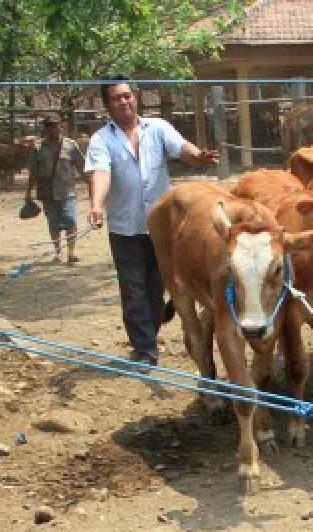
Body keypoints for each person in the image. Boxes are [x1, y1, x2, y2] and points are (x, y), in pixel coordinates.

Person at [85, 78, 218, 367]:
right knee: (133, 289)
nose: (124, 102)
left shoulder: (156, 128)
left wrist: (199, 156)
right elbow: (101, 173)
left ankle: (149, 333)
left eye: (127, 96)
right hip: (125, 228)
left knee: (158, 287)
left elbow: (182, 148)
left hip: (162, 229)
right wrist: (96, 204)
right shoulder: (101, 140)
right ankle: (145, 350)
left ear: (135, 98)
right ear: (107, 106)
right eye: (117, 98)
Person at [26, 115, 85, 265]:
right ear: (45, 129)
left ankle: (72, 252)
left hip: (67, 191)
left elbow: (81, 166)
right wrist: (28, 193)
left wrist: (92, 184)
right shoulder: (38, 147)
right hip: (47, 192)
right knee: (53, 224)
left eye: (55, 125)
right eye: (49, 126)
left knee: (71, 220)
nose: (53, 129)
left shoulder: (71, 145)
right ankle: (58, 253)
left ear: (61, 126)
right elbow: (33, 172)